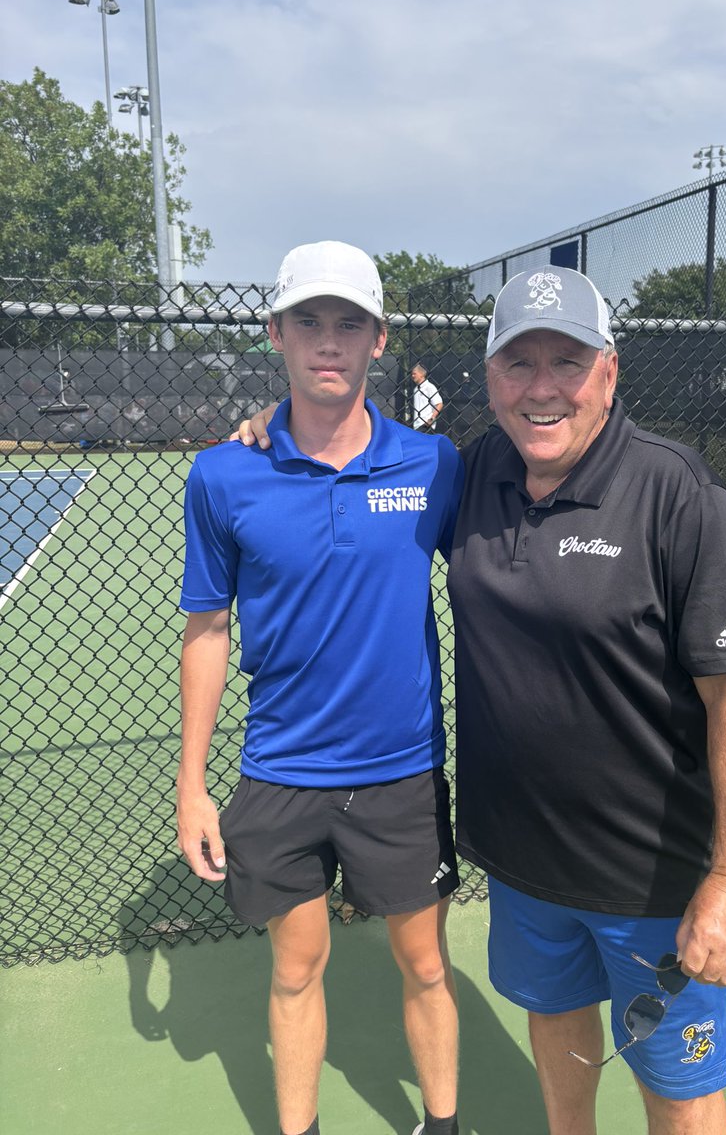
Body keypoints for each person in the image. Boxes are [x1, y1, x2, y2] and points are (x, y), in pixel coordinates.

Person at [236, 264, 726, 1135]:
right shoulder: (475, 471)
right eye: (517, 365)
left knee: (681, 1097)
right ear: (488, 379)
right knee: (560, 1048)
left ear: (608, 371)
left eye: (566, 362)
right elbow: (363, 468)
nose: (541, 389)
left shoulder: (675, 492)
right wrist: (282, 426)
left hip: (653, 877)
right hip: (526, 867)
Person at [177, 240, 465, 1135]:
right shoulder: (226, 472)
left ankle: (444, 1126)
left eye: (350, 323)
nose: (329, 341)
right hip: (281, 772)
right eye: (309, 321)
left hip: (401, 772)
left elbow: (506, 565)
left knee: (425, 967)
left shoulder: (434, 466)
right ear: (277, 335)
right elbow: (208, 631)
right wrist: (191, 785)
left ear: (380, 340)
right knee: (296, 969)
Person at [411, 363, 444, 431]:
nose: (412, 376)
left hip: (426, 425)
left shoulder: (429, 387)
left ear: (422, 374)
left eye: (414, 373)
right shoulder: (415, 389)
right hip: (416, 426)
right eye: (412, 374)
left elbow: (439, 404)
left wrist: (431, 419)